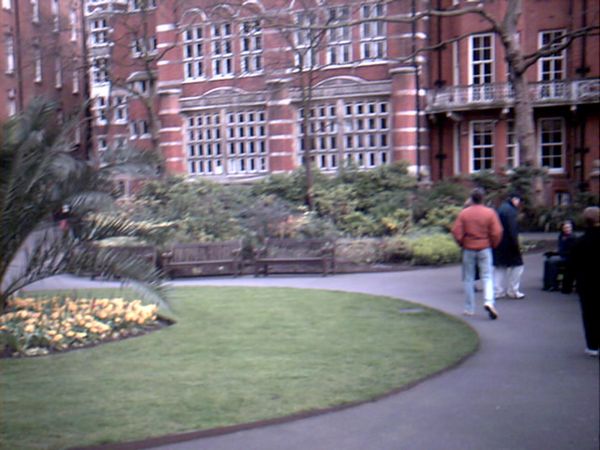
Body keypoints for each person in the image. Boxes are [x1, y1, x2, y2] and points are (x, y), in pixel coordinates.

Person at [452, 188, 503, 320]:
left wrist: (462, 243)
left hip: (469, 248)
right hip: (485, 247)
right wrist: (493, 244)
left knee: (469, 278)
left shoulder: (464, 213)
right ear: (483, 198)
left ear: (471, 198)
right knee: (487, 276)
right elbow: (497, 232)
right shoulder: (490, 213)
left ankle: (469, 308)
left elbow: (456, 231)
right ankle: (489, 301)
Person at [568, 206, 599, 357]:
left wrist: (567, 285)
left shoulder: (580, 242)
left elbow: (572, 266)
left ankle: (592, 345)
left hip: (587, 283)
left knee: (589, 314)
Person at [493, 193, 525, 299]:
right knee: (518, 266)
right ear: (514, 199)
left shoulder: (501, 209)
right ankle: (513, 290)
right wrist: (516, 245)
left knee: (500, 267)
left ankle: (498, 291)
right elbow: (512, 229)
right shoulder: (511, 211)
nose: (518, 203)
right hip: (510, 244)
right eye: (518, 200)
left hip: (499, 243)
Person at [543, 220, 576, 292]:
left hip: (568, 258)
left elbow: (571, 251)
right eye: (565, 228)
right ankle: (547, 284)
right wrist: (554, 253)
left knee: (552, 261)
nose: (567, 229)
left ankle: (553, 285)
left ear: (571, 228)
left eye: (569, 227)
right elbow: (561, 248)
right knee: (547, 261)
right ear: (562, 229)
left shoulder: (573, 237)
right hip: (562, 255)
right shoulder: (561, 236)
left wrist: (560, 253)